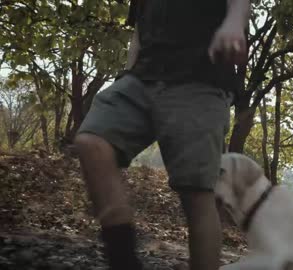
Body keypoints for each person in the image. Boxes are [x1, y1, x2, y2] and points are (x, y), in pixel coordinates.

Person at [73, 0, 249, 269]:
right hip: (141, 79)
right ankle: (123, 257)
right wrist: (126, 75)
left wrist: (235, 23)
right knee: (91, 140)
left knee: (196, 192)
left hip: (200, 79)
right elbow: (139, 32)